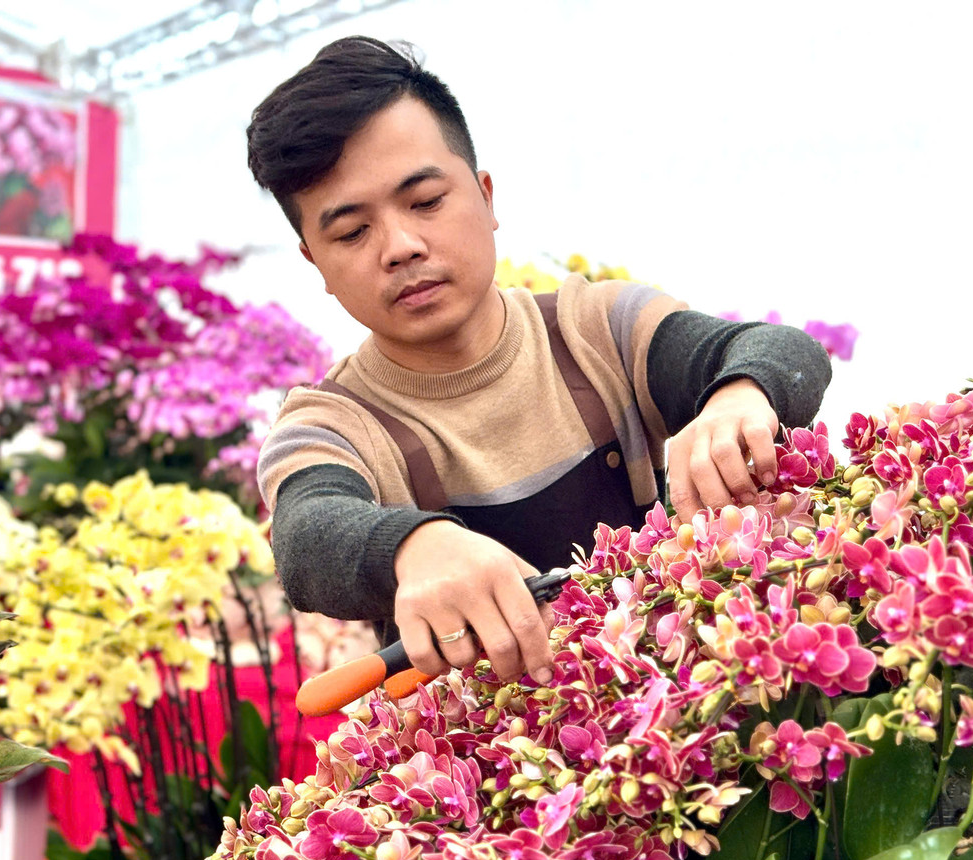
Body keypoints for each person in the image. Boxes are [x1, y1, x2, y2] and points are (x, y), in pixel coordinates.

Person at [249, 36, 831, 688]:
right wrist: (416, 546)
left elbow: (784, 353)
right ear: (315, 262)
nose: (402, 246)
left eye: (426, 201)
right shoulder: (329, 424)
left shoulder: (599, 329)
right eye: (352, 231)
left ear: (487, 196)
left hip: (678, 706)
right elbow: (305, 538)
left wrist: (738, 395)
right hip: (490, 769)